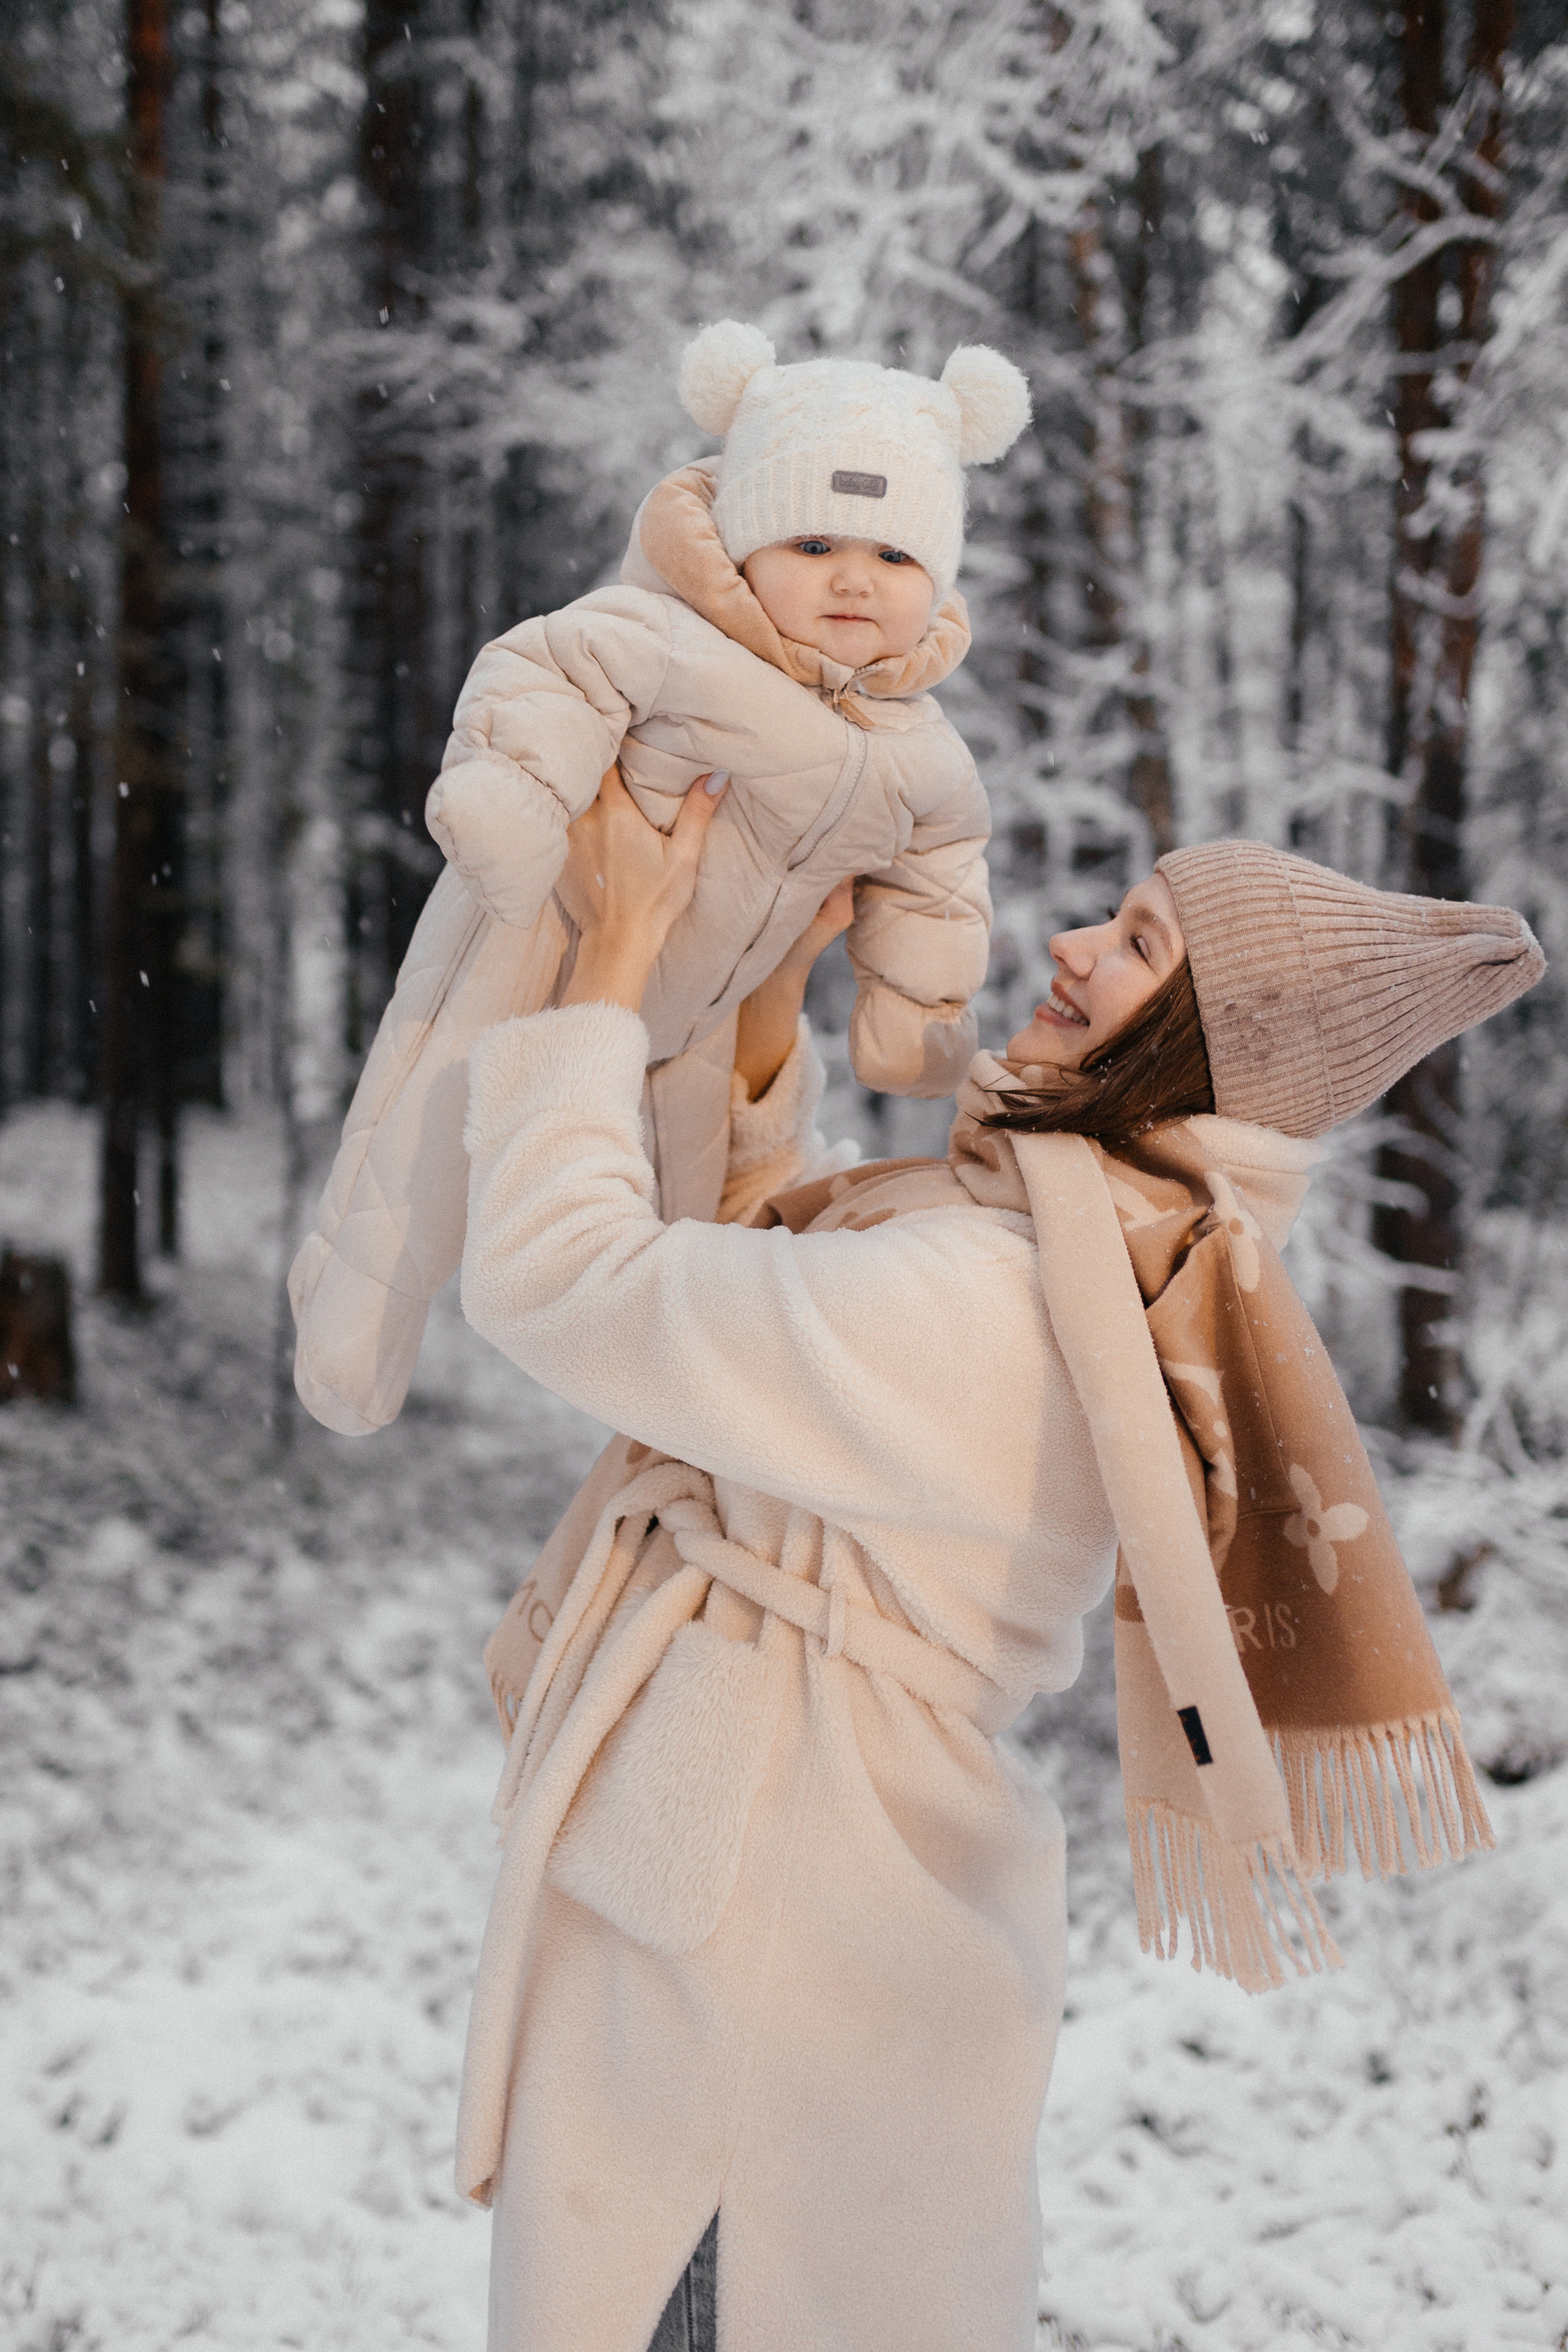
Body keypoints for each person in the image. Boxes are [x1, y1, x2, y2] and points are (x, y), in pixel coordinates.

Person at [455, 774, 1544, 2352]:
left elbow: (565, 1280)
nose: (1070, 942)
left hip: (756, 1969)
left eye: (1137, 943)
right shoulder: (1081, 1264)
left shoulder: (998, 1299)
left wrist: (613, 956)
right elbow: (775, 1269)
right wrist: (767, 995)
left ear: (1198, 1050)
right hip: (805, 1923)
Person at [288, 322, 1031, 1439]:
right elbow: (546, 672)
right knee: (417, 1140)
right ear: (740, 544)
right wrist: (513, 803)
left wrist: (915, 1012)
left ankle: (664, 1421)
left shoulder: (921, 749)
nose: (853, 582)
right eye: (815, 541)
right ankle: (349, 1331)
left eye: (893, 557)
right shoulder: (670, 638)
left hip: (699, 1025)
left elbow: (942, 870)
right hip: (543, 926)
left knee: (679, 1250)